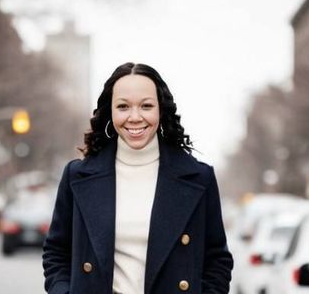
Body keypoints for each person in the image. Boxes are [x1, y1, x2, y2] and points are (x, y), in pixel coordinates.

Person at [42, 62, 233, 294]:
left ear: (160, 110)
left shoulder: (199, 178)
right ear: (110, 112)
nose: (135, 117)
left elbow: (217, 261)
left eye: (146, 106)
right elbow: (56, 252)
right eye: (123, 106)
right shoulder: (77, 176)